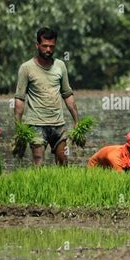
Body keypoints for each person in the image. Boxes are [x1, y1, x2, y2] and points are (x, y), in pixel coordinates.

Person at [14, 27, 79, 166]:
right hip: (36, 124)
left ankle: (62, 187)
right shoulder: (26, 68)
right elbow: (19, 99)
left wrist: (76, 121)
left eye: (51, 46)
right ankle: (39, 187)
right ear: (37, 45)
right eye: (44, 46)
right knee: (39, 161)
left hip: (58, 123)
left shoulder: (60, 66)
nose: (48, 50)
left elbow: (67, 94)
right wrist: (18, 129)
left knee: (63, 162)